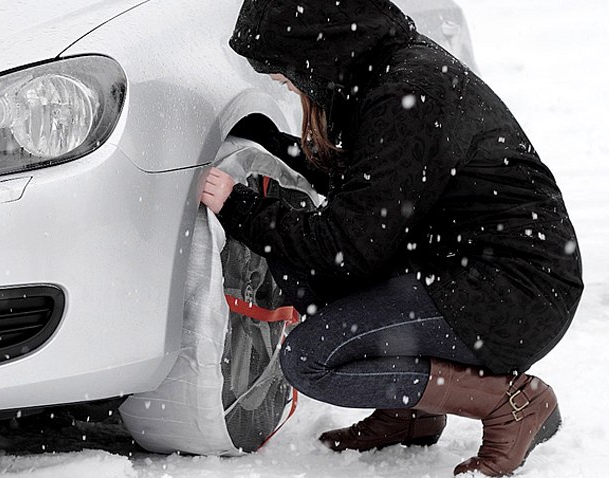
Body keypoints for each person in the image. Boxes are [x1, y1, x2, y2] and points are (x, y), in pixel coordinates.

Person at [200, 1, 583, 476]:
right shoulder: (392, 72)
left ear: (316, 59)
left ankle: (513, 403)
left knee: (310, 359)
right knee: (319, 288)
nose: (287, 87)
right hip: (466, 268)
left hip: (514, 291)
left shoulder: (409, 94)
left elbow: (346, 247)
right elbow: (378, 185)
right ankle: (411, 415)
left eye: (285, 77)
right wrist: (283, 149)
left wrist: (241, 209)